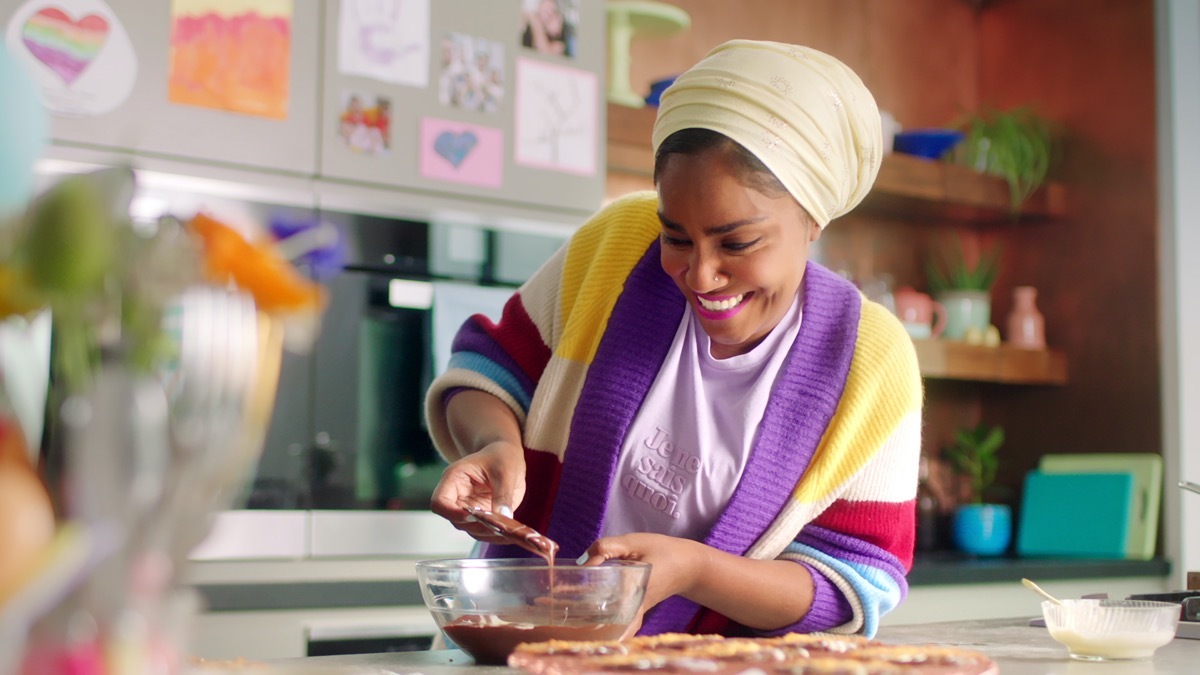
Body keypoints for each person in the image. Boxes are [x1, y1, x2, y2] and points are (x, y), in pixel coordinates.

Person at [425, 39, 921, 640]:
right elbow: (491, 369)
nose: (700, 275)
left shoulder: (873, 363)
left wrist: (696, 571)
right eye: (676, 237)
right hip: (515, 647)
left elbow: (856, 583)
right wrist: (495, 445)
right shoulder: (617, 245)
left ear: (813, 219)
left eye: (736, 243)